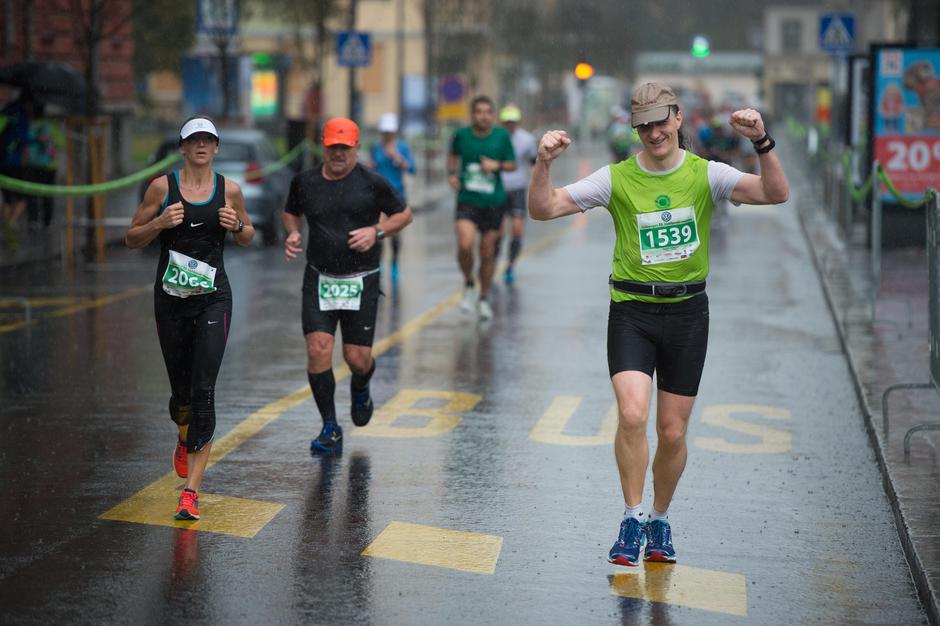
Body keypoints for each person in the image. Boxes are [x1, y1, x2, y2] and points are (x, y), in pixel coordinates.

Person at [528, 82, 788, 566]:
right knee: (631, 415)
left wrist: (762, 141)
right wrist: (543, 163)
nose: (653, 132)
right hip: (632, 311)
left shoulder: (706, 175)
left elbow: (775, 192)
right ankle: (631, 517)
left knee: (671, 433)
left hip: (688, 314)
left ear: (677, 118)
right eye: (643, 124)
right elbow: (543, 209)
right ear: (635, 128)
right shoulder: (616, 179)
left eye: (659, 121)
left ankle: (660, 521)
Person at [125, 116, 255, 520]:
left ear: (215, 148)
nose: (200, 145)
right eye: (193, 140)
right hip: (171, 300)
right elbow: (132, 237)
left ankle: (191, 493)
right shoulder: (162, 188)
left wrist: (239, 227)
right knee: (181, 394)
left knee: (204, 392)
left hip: (214, 299)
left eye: (207, 140)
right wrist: (160, 223)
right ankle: (183, 434)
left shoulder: (229, 190)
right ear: (183, 148)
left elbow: (249, 234)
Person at [283, 117, 413, 455]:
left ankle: (361, 384)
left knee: (356, 358)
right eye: (332, 147)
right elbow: (290, 212)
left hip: (361, 280)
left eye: (344, 147)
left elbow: (404, 214)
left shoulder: (373, 183)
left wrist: (377, 231)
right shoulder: (305, 182)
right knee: (318, 350)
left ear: (356, 147)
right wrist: (293, 232)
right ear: (324, 147)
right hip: (319, 278)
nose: (338, 153)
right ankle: (330, 426)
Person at [447, 95, 516, 320]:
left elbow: (512, 164)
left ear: (493, 115)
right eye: (479, 112)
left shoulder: (501, 136)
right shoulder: (462, 135)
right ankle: (468, 282)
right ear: (472, 114)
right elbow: (452, 155)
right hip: (467, 199)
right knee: (465, 245)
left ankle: (484, 297)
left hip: (494, 202)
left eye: (488, 112)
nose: (483, 116)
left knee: (487, 253)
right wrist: (452, 175)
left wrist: (496, 165)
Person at [369, 112, 415, 285]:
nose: (387, 135)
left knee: (394, 234)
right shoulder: (375, 147)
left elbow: (411, 169)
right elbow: (373, 168)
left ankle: (394, 263)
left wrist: (396, 157)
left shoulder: (402, 147)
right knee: (378, 231)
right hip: (377, 196)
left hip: (397, 194)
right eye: (385, 132)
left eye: (390, 132)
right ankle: (378, 264)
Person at [496, 104, 537, 285]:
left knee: (517, 230)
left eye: (513, 122)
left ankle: (510, 265)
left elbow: (533, 163)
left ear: (517, 122)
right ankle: (493, 260)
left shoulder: (526, 139)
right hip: (499, 188)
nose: (510, 125)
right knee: (497, 233)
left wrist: (537, 184)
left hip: (518, 188)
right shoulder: (496, 138)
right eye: (507, 122)